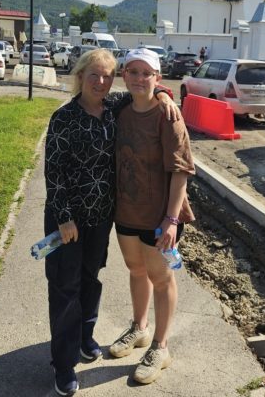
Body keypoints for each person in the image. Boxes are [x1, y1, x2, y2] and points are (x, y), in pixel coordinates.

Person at [44, 48, 177, 397]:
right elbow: (53, 173)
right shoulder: (64, 118)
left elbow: (146, 89)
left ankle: (85, 337)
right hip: (68, 222)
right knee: (64, 287)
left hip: (102, 218)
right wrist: (63, 217)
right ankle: (63, 363)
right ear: (80, 76)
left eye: (107, 75)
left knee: (90, 279)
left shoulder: (113, 107)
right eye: (94, 75)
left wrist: (164, 92)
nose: (101, 81)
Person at [109, 48, 195, 385]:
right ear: (124, 75)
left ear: (158, 77)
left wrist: (172, 220)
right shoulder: (119, 110)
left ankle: (160, 346)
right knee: (135, 269)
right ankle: (140, 328)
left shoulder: (168, 116)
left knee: (161, 277)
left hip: (161, 218)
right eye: (134, 72)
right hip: (127, 210)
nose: (140, 79)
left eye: (148, 73)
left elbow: (181, 170)